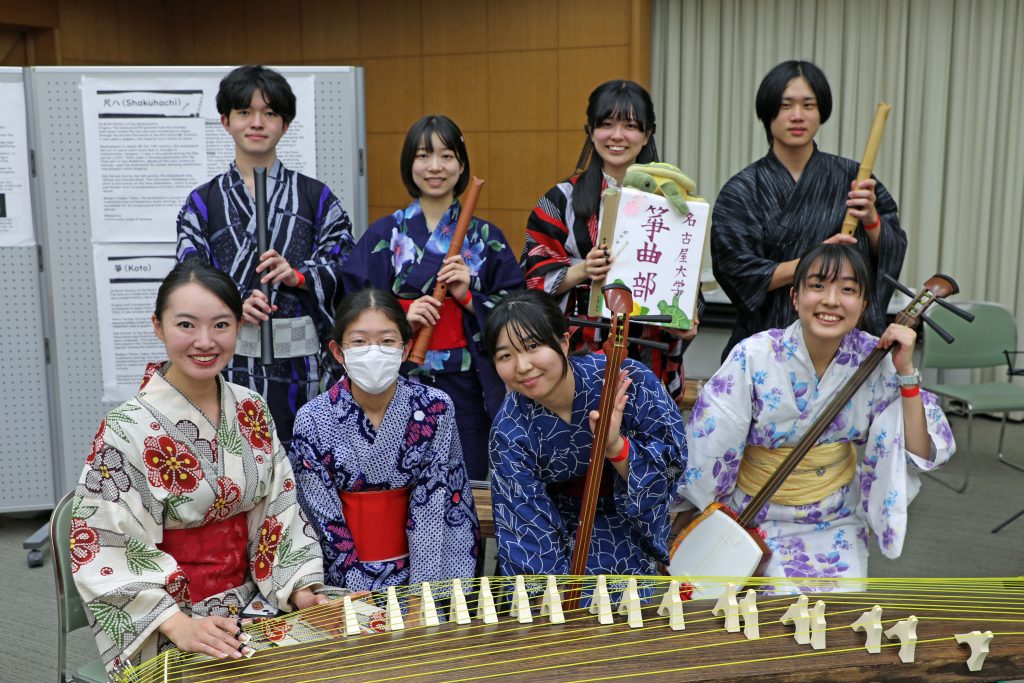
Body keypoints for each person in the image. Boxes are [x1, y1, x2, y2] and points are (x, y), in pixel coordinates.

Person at [71, 261, 328, 676]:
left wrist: (298, 588)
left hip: (254, 598)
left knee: (334, 657)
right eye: (186, 325)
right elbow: (105, 547)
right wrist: (180, 626)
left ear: (239, 326)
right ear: (158, 326)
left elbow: (279, 511)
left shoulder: (251, 407)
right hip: (171, 618)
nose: (205, 341)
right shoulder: (125, 429)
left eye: (221, 325)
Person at [677, 244, 954, 589]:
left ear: (865, 302)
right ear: (795, 297)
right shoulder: (755, 355)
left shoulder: (877, 360)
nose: (831, 300)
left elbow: (922, 450)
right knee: (753, 625)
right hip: (752, 517)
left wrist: (907, 373)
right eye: (818, 285)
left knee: (836, 624)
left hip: (835, 518)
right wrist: (696, 510)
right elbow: (711, 443)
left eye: (848, 289)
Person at [176, 64, 354, 445]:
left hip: (303, 365)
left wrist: (300, 276)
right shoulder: (203, 202)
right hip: (229, 360)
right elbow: (190, 271)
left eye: (270, 113)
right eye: (244, 112)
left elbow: (346, 264)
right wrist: (233, 304)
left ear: (285, 125)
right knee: (234, 463)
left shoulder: (316, 197)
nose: (257, 123)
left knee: (307, 463)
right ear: (225, 121)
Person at [343, 115, 523, 480]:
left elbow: (519, 309)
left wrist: (468, 295)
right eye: (424, 156)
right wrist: (402, 317)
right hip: (397, 380)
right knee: (399, 480)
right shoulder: (386, 233)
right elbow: (352, 305)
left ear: (461, 165)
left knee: (465, 481)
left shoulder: (486, 236)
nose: (435, 166)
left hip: (466, 384)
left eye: (447, 156)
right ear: (410, 164)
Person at [711, 60, 907, 361]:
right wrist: (813, 264)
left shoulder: (854, 178)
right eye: (786, 105)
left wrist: (872, 221)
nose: (797, 116)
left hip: (843, 343)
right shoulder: (742, 190)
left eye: (808, 105)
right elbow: (736, 271)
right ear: (768, 112)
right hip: (767, 344)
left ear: (821, 111)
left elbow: (891, 251)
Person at [287, 287, 479, 595]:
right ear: (338, 351)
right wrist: (355, 597)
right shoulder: (312, 417)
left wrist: (422, 598)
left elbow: (437, 501)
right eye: (360, 342)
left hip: (417, 575)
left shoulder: (434, 408)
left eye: (387, 341)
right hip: (339, 582)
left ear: (405, 349)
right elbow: (321, 518)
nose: (374, 351)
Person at [520, 80, 699, 408]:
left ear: (647, 135)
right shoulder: (560, 199)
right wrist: (582, 271)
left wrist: (688, 318)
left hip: (646, 353)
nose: (617, 135)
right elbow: (532, 271)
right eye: (606, 124)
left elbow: (686, 279)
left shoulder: (673, 203)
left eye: (630, 126)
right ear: (590, 131)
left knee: (635, 453)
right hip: (576, 355)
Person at [484, 289, 687, 578]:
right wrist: (547, 594)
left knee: (614, 604)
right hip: (549, 528)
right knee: (550, 609)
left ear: (564, 342)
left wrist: (615, 446)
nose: (523, 366)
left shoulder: (629, 380)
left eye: (532, 346)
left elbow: (669, 469)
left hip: (624, 521)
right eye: (506, 355)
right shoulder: (510, 428)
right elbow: (522, 520)